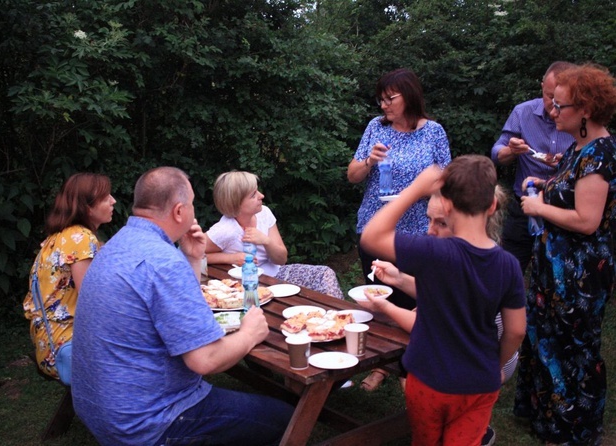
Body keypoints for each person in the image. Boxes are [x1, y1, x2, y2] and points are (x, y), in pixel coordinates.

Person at [71, 167, 293, 446]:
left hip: (99, 408)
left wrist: (190, 258)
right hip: (149, 422)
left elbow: (166, 307)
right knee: (287, 420)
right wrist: (250, 333)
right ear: (179, 211)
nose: (192, 211)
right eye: (191, 205)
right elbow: (206, 359)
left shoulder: (118, 244)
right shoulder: (162, 261)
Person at [361, 156, 526, 446]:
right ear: (492, 206)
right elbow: (516, 330)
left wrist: (416, 188)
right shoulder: (508, 264)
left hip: (428, 381)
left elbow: (372, 236)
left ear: (446, 206)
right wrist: (495, 364)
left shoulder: (432, 253)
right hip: (479, 384)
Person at [514, 63, 616, 445]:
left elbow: (587, 220)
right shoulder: (580, 148)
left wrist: (539, 207)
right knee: (547, 342)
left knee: (573, 349)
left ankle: (575, 428)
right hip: (554, 270)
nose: (553, 112)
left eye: (561, 106)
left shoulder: (599, 156)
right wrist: (546, 183)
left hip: (579, 276)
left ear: (586, 110)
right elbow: (572, 190)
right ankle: (547, 419)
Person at [347, 67, 451, 310]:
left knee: (416, 300)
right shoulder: (376, 127)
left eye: (389, 99)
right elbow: (352, 175)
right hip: (375, 228)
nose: (383, 105)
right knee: (378, 297)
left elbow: (447, 182)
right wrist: (368, 161)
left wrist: (418, 190)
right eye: (380, 100)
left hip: (419, 232)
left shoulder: (433, 132)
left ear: (409, 95)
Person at [23, 173, 115, 380]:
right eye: (105, 197)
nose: (113, 201)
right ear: (87, 207)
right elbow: (92, 301)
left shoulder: (60, 236)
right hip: (66, 349)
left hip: (47, 342)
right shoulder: (81, 239)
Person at [491, 61, 576, 273]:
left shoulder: (577, 119)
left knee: (559, 272)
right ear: (541, 87)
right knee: (508, 268)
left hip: (564, 207)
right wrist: (512, 150)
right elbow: (497, 153)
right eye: (549, 96)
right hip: (524, 206)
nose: (553, 106)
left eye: (559, 100)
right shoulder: (523, 112)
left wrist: (567, 161)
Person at [205, 170, 344, 299]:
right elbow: (192, 254)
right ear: (236, 204)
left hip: (276, 275)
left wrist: (266, 241)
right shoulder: (225, 230)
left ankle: (338, 317)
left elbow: (281, 259)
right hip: (248, 287)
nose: (261, 196)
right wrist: (231, 258)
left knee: (324, 274)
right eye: (253, 195)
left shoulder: (264, 213)